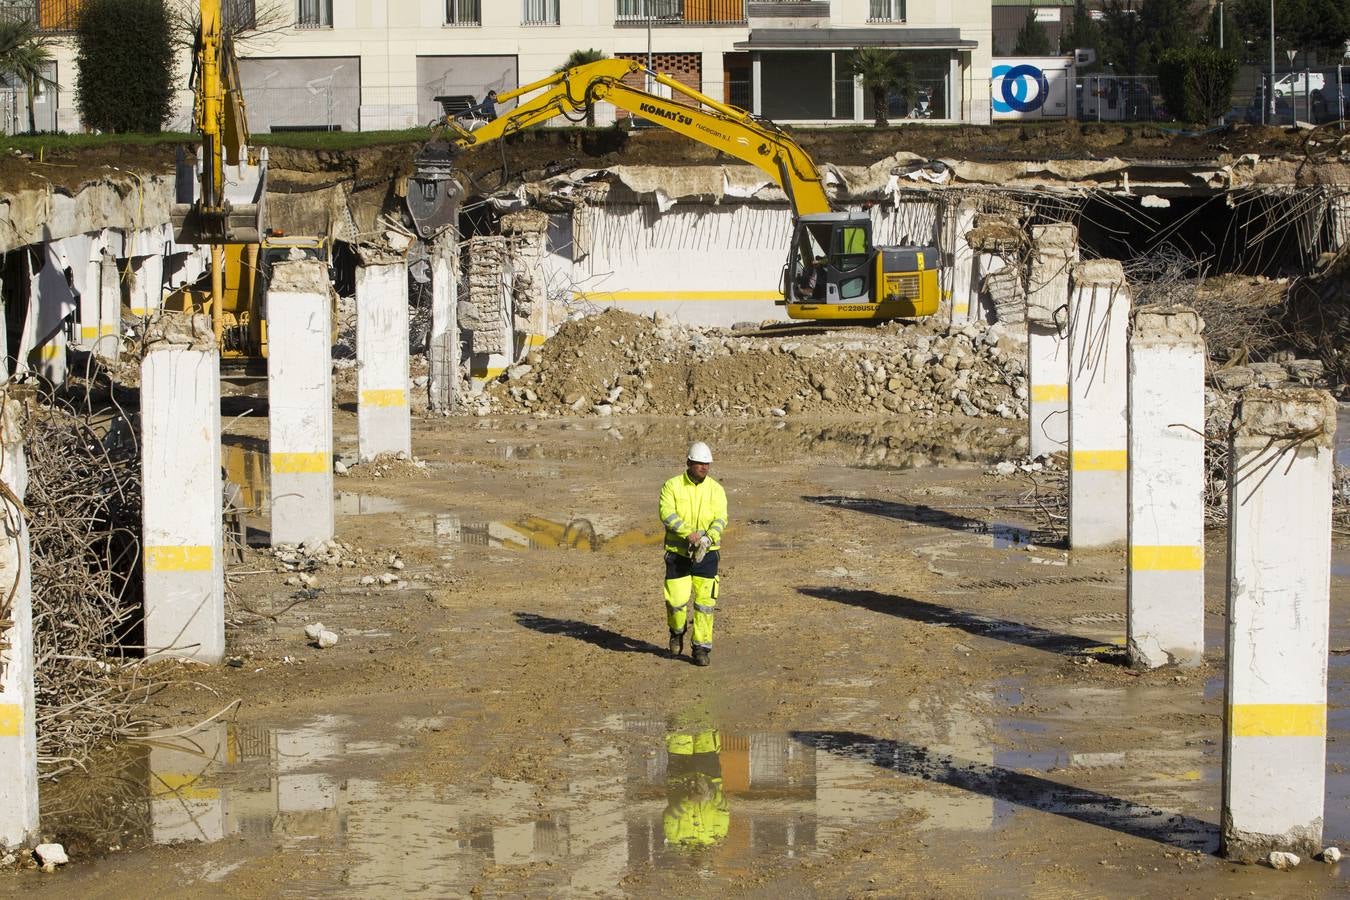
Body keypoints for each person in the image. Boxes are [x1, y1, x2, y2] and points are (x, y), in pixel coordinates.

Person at [658, 441, 728, 666]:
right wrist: (688, 534)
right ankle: (677, 631)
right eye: (699, 463)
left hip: (707, 555)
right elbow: (666, 513)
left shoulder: (716, 489)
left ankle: (701, 648)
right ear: (688, 463)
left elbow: (720, 518)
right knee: (676, 601)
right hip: (678, 554)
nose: (704, 468)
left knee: (705, 604)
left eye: (707, 464)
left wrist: (708, 538)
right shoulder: (672, 486)